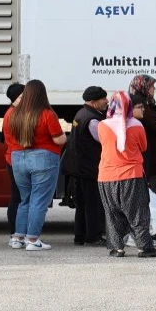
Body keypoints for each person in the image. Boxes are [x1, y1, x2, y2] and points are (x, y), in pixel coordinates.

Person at [2, 79, 66, 251]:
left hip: (17, 158)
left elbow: (8, 138)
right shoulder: (46, 114)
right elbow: (59, 139)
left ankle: (18, 237)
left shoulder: (12, 114)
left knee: (25, 200)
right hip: (43, 158)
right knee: (39, 201)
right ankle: (33, 239)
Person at [97, 91, 156, 258]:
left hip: (106, 176)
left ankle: (116, 248)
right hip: (131, 175)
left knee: (112, 213)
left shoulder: (102, 125)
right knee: (138, 212)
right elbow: (144, 146)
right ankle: (144, 247)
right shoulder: (137, 125)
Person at [68, 86, 109, 246]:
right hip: (89, 168)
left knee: (82, 204)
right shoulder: (92, 119)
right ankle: (93, 236)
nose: (106, 101)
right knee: (93, 204)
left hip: (79, 167)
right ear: (93, 102)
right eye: (103, 99)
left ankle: (80, 236)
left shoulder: (81, 114)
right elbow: (103, 139)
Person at [3, 82, 25, 244]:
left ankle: (17, 232)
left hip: (13, 158)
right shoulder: (14, 115)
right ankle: (16, 233)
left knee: (17, 197)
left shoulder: (13, 112)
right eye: (23, 96)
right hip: (16, 159)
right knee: (18, 198)